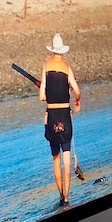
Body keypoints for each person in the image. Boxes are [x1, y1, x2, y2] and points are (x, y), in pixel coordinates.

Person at [40, 33, 81, 207]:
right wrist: (77, 100)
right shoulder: (67, 67)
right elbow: (77, 90)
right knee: (66, 157)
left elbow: (42, 96)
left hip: (52, 116)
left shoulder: (46, 66)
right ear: (62, 51)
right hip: (65, 115)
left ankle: (60, 195)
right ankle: (67, 198)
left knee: (55, 158)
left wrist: (48, 93)